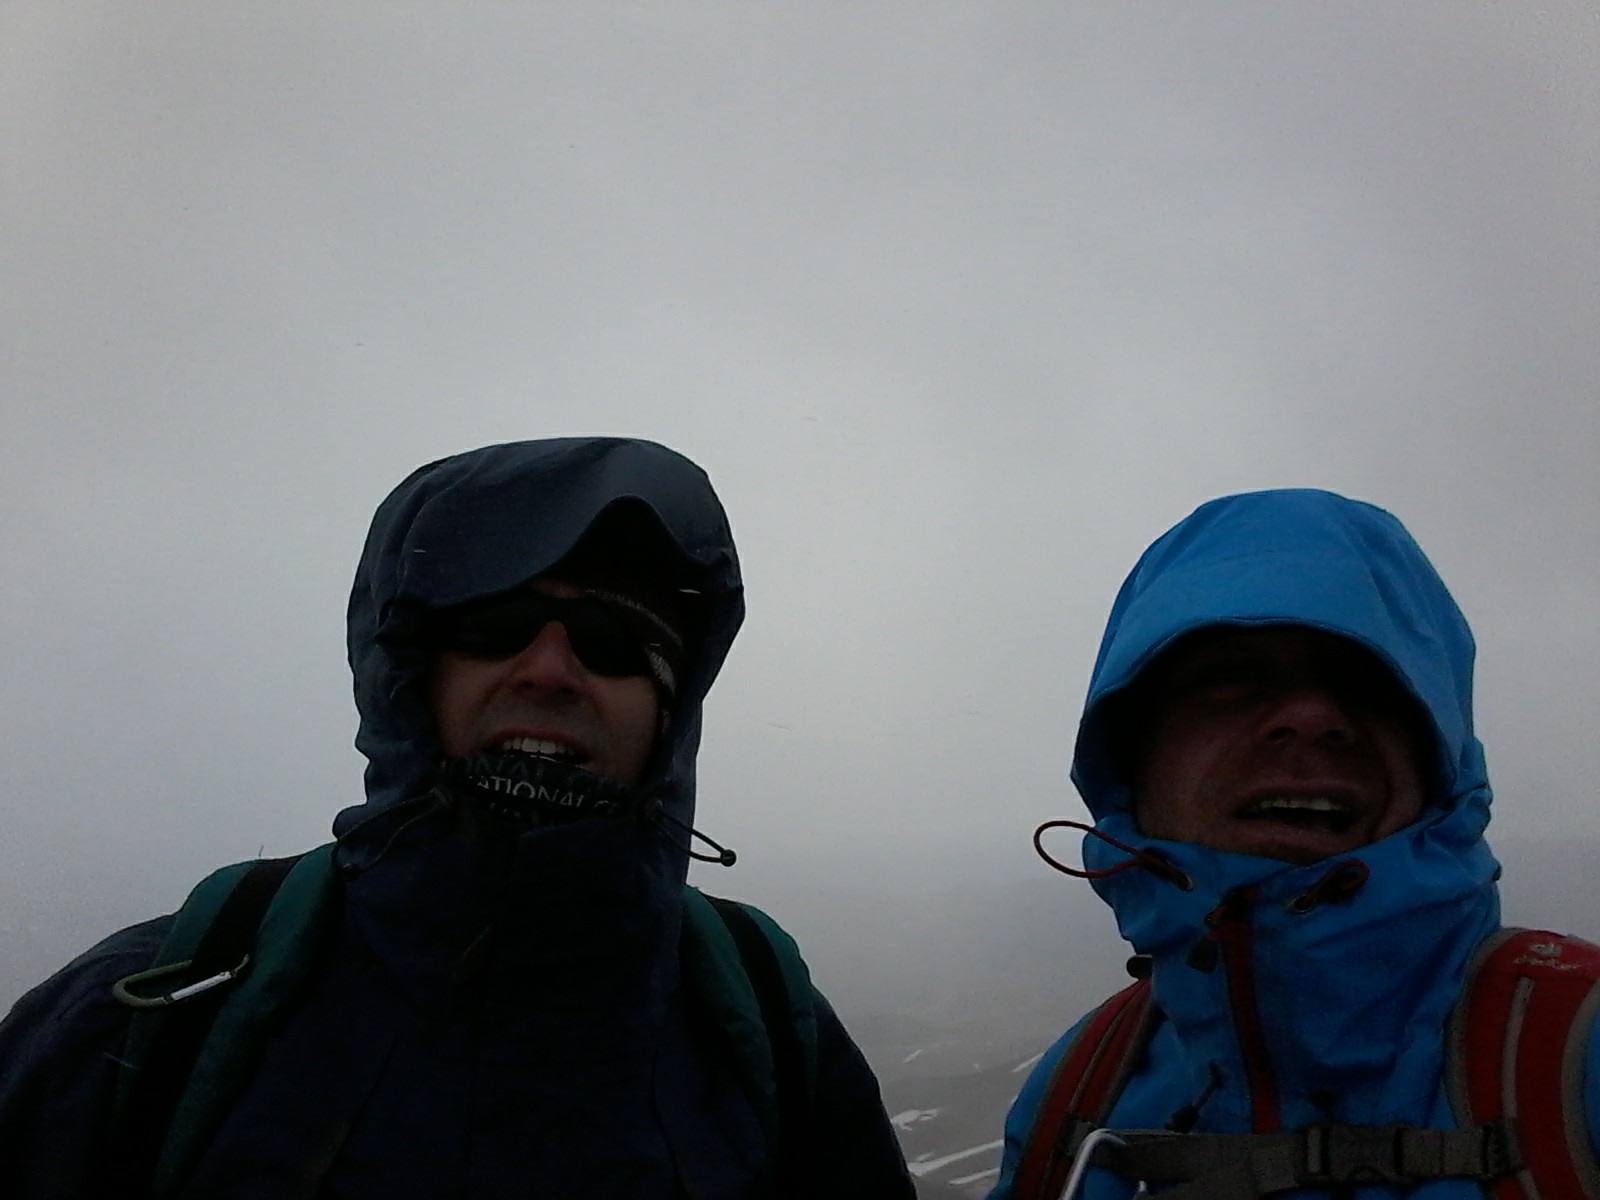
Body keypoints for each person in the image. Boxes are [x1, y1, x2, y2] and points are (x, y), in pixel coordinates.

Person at [0, 437, 914, 1199]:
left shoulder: (764, 1023)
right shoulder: (149, 1014)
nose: (548, 671)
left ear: (669, 712)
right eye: (493, 624)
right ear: (407, 673)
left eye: (612, 641)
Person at [989, 488, 1600, 1200]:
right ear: (1132, 758)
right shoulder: (1074, 1093)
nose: (1312, 715)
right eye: (1230, 677)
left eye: (1369, 681)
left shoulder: (1580, 1058)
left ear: (1439, 762)